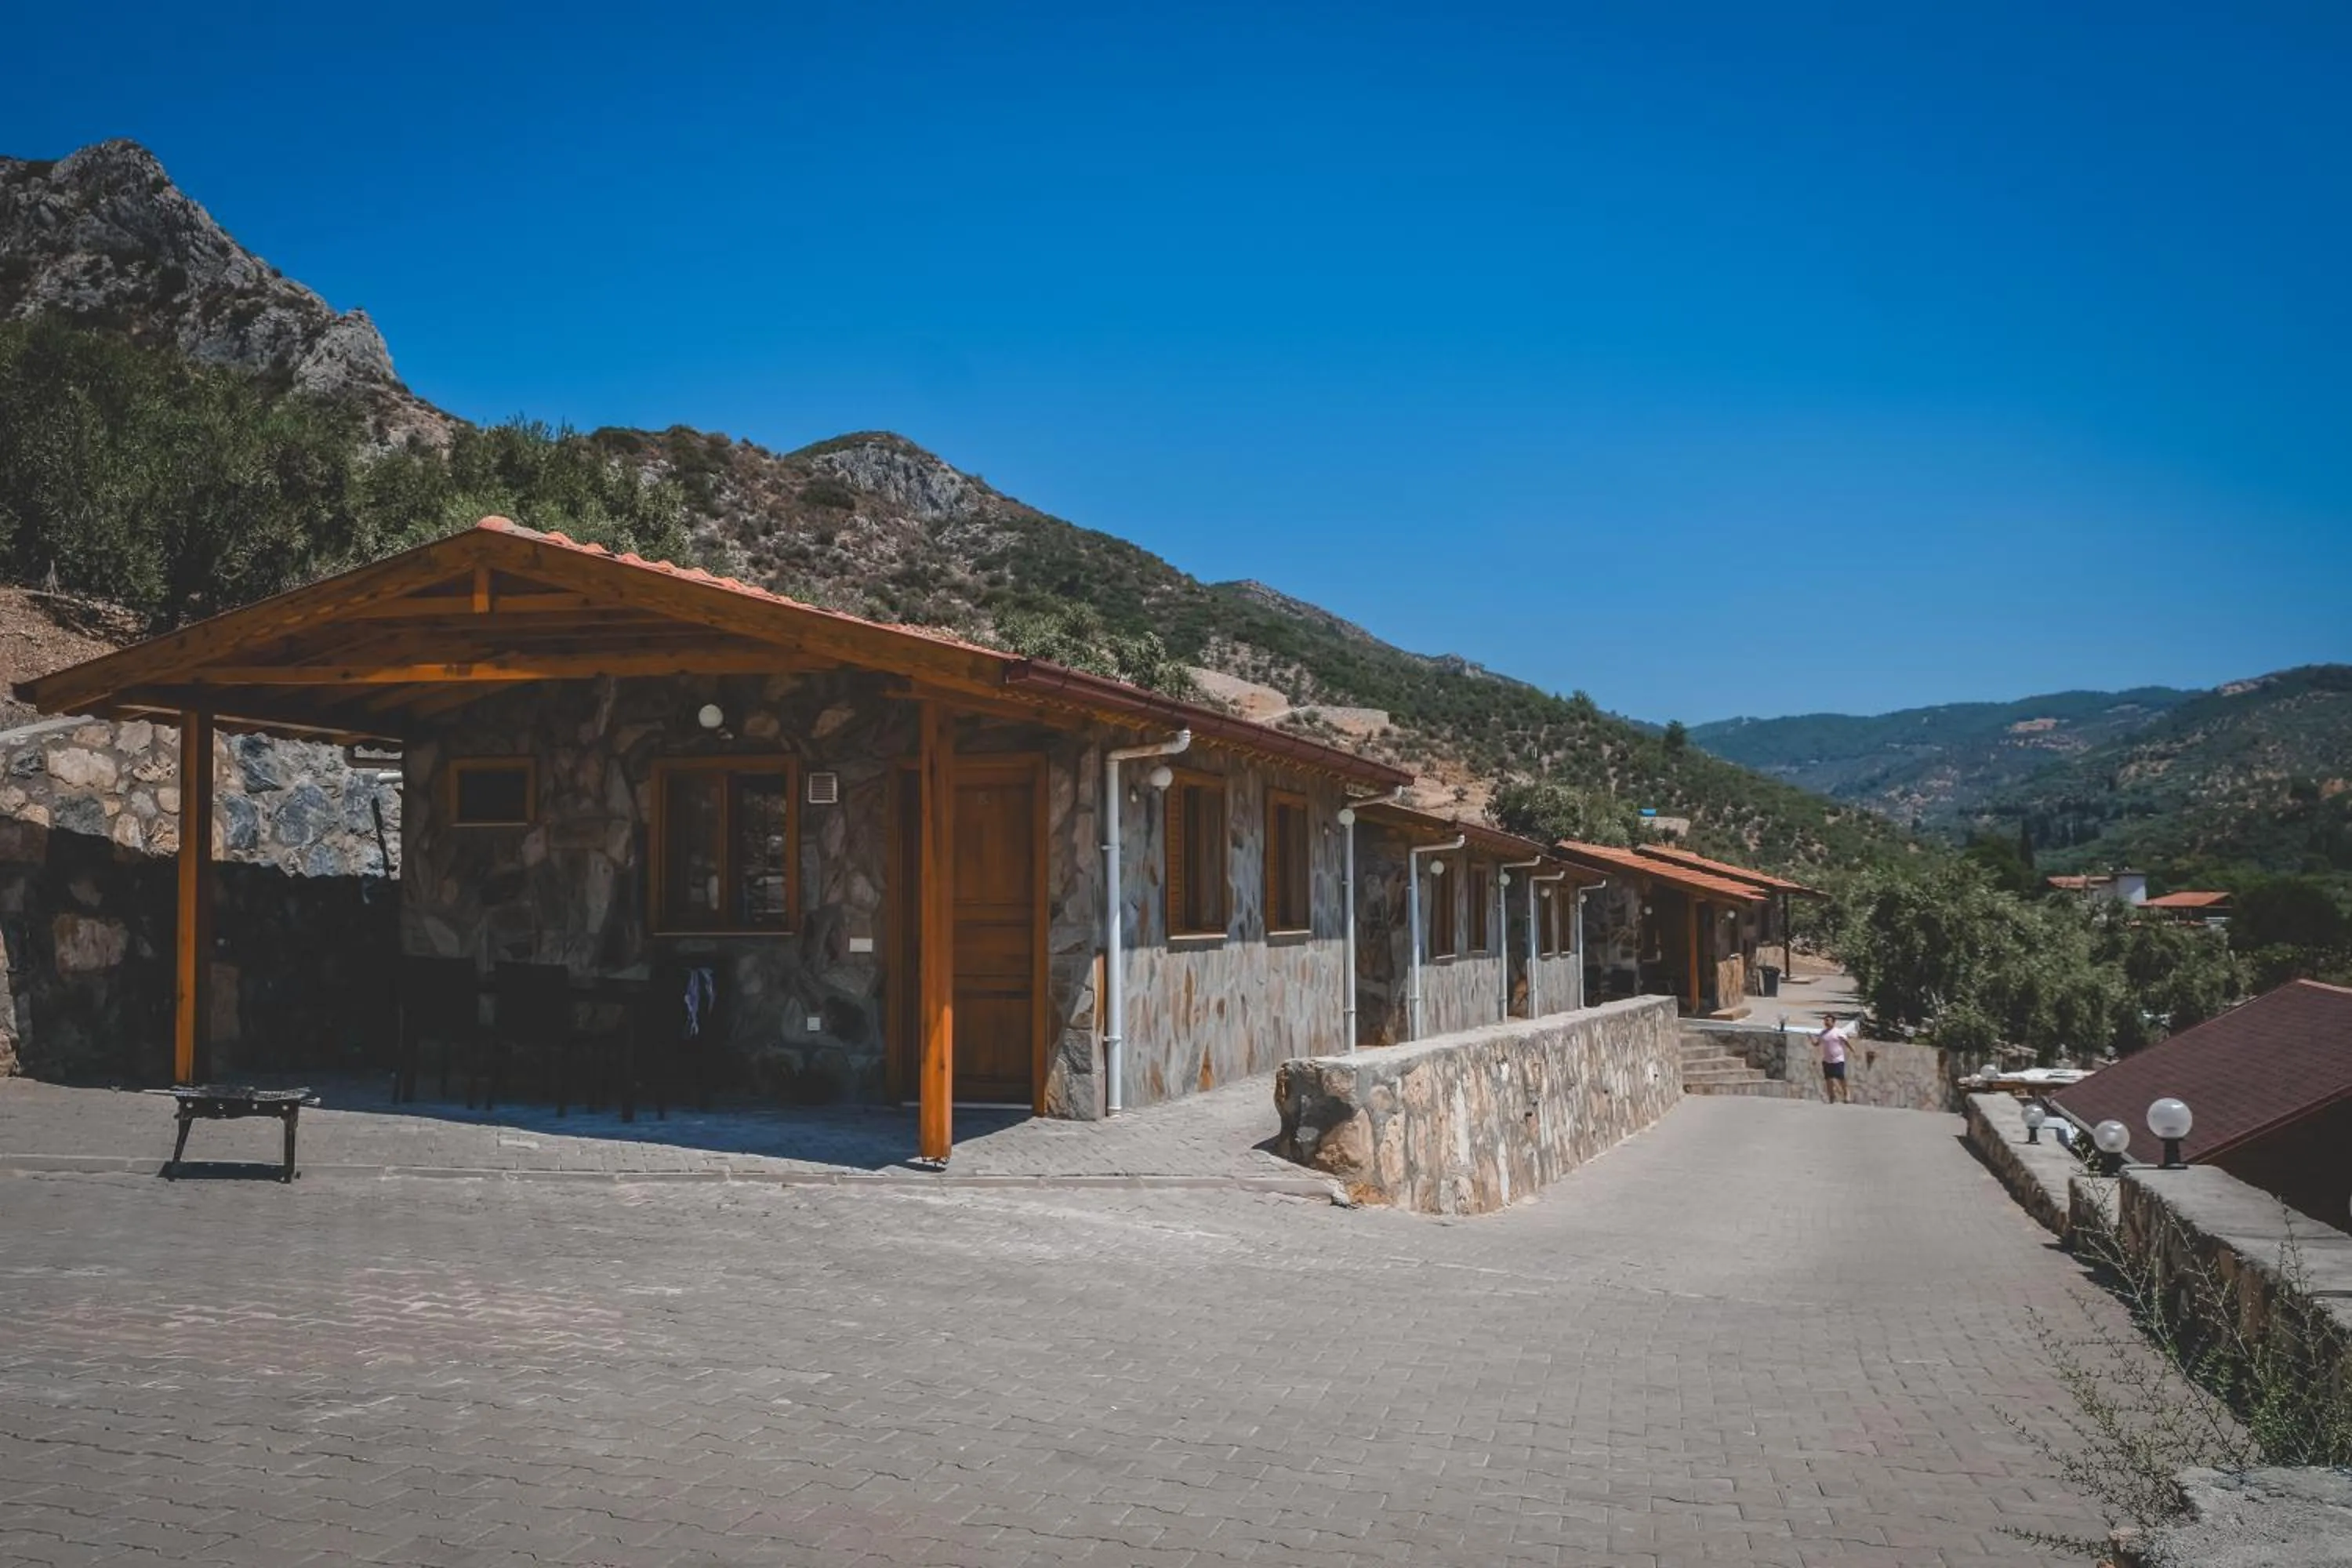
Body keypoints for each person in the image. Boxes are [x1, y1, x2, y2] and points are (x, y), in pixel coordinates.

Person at [1816, 1013, 1853, 1104]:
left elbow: (1845, 1041)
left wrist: (1853, 1050)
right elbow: (1817, 1044)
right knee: (1829, 1079)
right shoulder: (1823, 1033)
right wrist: (1811, 1040)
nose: (1826, 1023)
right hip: (1827, 1060)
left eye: (1828, 1021)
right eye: (1825, 1021)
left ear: (1833, 1022)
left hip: (1838, 1059)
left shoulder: (1838, 1031)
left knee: (1841, 1078)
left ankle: (1846, 1094)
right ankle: (1831, 1097)